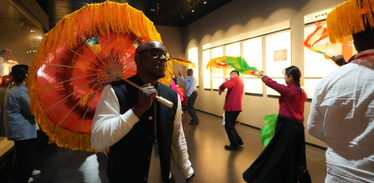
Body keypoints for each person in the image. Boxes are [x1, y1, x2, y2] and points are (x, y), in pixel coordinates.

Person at [91, 41, 195, 183]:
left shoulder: (171, 96)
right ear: (138, 58)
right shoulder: (114, 91)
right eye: (155, 54)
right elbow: (98, 142)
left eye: (165, 55)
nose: (163, 58)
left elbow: (177, 136)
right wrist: (138, 109)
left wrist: (188, 172)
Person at [308, 0, 374, 182]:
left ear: (355, 42)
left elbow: (314, 129)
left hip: (337, 176)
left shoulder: (328, 80)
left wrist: (343, 144)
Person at [243, 66, 311, 183]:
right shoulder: (302, 92)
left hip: (287, 126)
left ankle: (273, 176)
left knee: (279, 152)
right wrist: (302, 122)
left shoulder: (289, 90)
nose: (284, 78)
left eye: (285, 76)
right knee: (293, 153)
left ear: (290, 77)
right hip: (297, 127)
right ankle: (292, 175)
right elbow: (301, 109)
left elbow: (272, 84)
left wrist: (263, 76)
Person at [6, 65, 40, 183]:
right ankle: (21, 178)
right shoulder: (20, 90)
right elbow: (31, 110)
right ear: (25, 74)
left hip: (22, 129)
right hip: (22, 129)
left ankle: (23, 176)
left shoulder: (16, 88)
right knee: (24, 157)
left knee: (24, 156)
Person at [218, 70, 244, 150]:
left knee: (228, 126)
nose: (230, 76)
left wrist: (220, 89)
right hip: (237, 107)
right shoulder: (240, 81)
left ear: (234, 74)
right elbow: (229, 85)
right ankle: (239, 141)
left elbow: (225, 85)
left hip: (231, 107)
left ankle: (234, 145)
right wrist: (228, 82)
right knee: (231, 125)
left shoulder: (234, 80)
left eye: (230, 75)